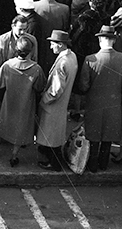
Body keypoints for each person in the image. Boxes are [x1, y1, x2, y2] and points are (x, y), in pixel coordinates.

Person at [77, 25, 122, 173]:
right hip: (114, 101)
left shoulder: (90, 59)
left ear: (100, 40)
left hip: (94, 102)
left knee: (94, 133)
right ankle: (103, 163)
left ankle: (93, 164)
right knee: (108, 133)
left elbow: (84, 84)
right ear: (113, 41)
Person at [0, 34, 45, 167]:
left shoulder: (8, 65)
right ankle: (14, 155)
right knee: (20, 127)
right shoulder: (36, 68)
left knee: (3, 122)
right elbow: (40, 86)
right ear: (30, 51)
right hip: (26, 103)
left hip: (9, 100)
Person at [35, 30, 77, 171]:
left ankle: (54, 164)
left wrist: (44, 99)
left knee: (51, 136)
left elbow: (56, 89)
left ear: (60, 45)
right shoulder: (72, 57)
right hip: (63, 103)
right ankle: (54, 161)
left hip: (53, 104)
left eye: (53, 44)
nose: (51, 47)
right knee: (55, 135)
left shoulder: (62, 62)